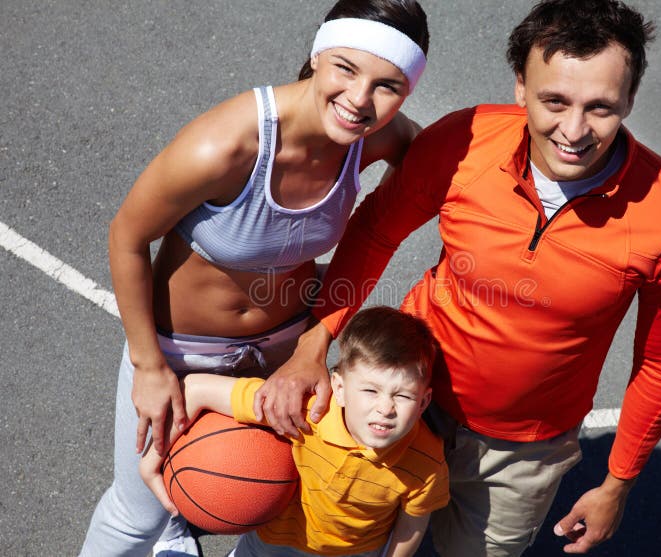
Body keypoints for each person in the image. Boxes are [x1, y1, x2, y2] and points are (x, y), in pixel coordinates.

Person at [255, 0, 661, 555]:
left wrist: (618, 484)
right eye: (554, 101)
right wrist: (314, 343)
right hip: (402, 393)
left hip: (520, 452)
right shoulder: (463, 142)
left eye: (600, 108)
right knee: (341, 539)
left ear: (630, 99)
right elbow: (375, 231)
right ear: (521, 86)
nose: (573, 130)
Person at [79, 1, 431, 555]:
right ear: (317, 55)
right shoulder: (228, 144)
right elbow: (127, 236)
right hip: (182, 350)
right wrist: (148, 366)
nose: (360, 99)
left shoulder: (378, 138)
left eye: (387, 86)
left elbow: (423, 174)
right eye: (346, 69)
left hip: (287, 349)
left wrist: (317, 336)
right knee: (137, 515)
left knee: (274, 493)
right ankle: (169, 532)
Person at [140, 306, 449, 557]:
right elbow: (195, 389)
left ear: (424, 402)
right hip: (273, 541)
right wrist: (153, 458)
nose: (385, 408)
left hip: (356, 552)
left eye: (403, 396)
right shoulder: (304, 410)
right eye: (370, 390)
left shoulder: (427, 462)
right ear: (339, 388)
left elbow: (412, 525)